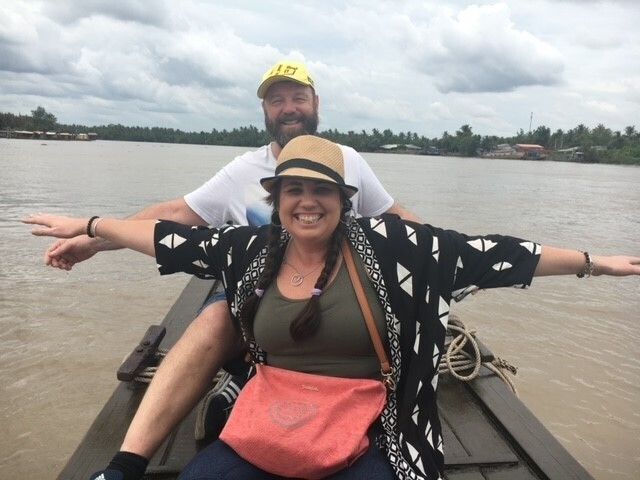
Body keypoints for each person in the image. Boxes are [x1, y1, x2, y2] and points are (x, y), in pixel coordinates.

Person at [25, 135, 640, 480]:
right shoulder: (252, 250)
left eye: (322, 190)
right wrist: (90, 226)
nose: (307, 202)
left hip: (378, 427)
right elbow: (170, 237)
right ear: (279, 197)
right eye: (294, 189)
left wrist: (595, 262)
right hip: (271, 417)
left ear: (347, 201)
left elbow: (498, 254)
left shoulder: (398, 247)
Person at [42, 60, 422, 474]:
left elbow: (394, 217)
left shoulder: (344, 161)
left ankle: (260, 383)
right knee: (216, 315)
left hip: (331, 290)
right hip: (254, 300)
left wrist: (448, 265)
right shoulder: (243, 170)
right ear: (265, 112)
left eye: (298, 97)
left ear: (316, 103)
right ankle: (126, 464)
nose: (289, 107)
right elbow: (175, 216)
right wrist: (95, 241)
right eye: (277, 100)